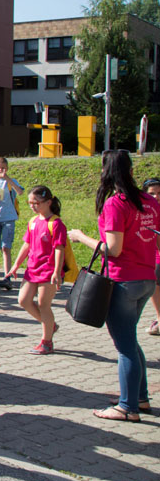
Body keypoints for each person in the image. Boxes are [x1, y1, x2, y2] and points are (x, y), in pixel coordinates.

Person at [68, 149, 159, 421]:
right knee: (129, 339)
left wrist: (80, 237)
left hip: (123, 281)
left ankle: (127, 408)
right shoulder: (150, 201)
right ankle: (139, 397)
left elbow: (114, 249)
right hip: (146, 278)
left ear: (105, 172)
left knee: (124, 347)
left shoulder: (116, 203)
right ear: (130, 170)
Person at [7, 186, 67, 355]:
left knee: (43, 304)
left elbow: (59, 249)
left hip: (48, 271)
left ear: (48, 202)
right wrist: (16, 265)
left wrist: (57, 272)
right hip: (32, 269)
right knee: (23, 300)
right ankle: (50, 325)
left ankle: (47, 342)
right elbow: (27, 244)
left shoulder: (56, 224)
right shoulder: (33, 221)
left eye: (36, 203)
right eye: (30, 203)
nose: (32, 206)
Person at [0, 157, 24, 284]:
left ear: (6, 169)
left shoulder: (11, 182)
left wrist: (8, 179)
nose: (0, 170)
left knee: (6, 247)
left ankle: (7, 276)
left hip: (9, 218)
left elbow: (20, 192)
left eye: (3, 168)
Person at [142, 178, 160, 336]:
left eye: (159, 193)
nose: (156, 197)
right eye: (152, 193)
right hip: (151, 255)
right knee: (155, 286)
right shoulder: (143, 211)